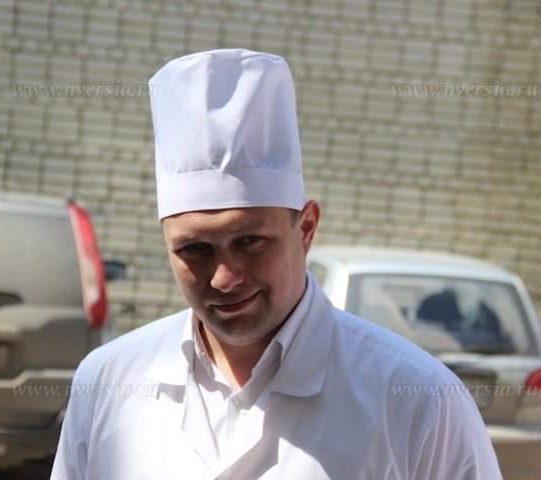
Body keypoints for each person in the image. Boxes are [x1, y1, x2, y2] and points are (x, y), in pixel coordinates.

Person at [51, 48, 502, 480]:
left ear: (306, 229)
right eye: (195, 250)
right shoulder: (107, 382)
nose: (225, 278)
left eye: (250, 241)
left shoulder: (418, 401)